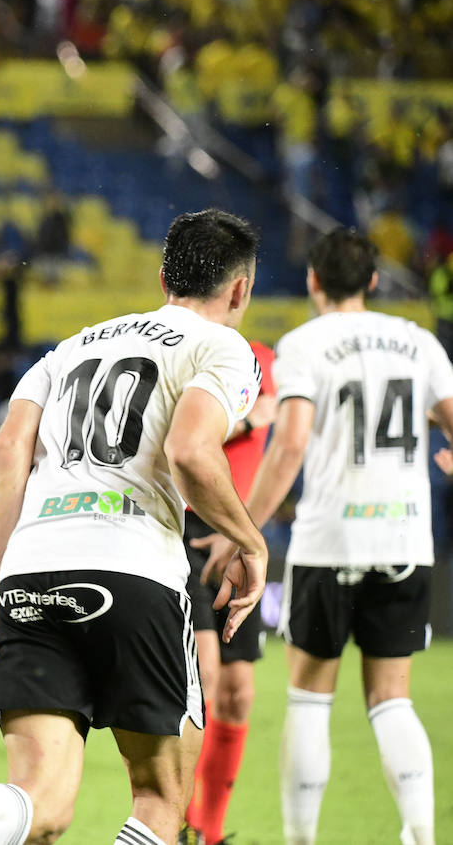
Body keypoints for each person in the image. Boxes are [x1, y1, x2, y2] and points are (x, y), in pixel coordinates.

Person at [0, 208, 269, 845]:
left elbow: (7, 454)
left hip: (32, 570)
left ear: (163, 275)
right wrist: (251, 539)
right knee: (160, 798)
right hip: (135, 570)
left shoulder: (71, 347)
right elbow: (191, 452)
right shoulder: (223, 347)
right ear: (240, 289)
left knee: (41, 802)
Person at [216, 229, 450, 845]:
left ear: (314, 281)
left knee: (309, 699)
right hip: (404, 542)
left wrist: (245, 527)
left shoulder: (304, 344)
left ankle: (300, 840)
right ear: (373, 281)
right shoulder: (418, 343)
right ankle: (422, 834)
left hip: (329, 543)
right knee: (392, 699)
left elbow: (290, 443)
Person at [178, 340, 276, 845]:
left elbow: (279, 425)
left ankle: (208, 832)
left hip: (239, 541)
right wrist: (253, 420)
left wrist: (242, 529)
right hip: (188, 531)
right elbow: (192, 436)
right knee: (205, 675)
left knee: (238, 693)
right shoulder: (183, 354)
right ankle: (180, 821)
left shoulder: (264, 358)